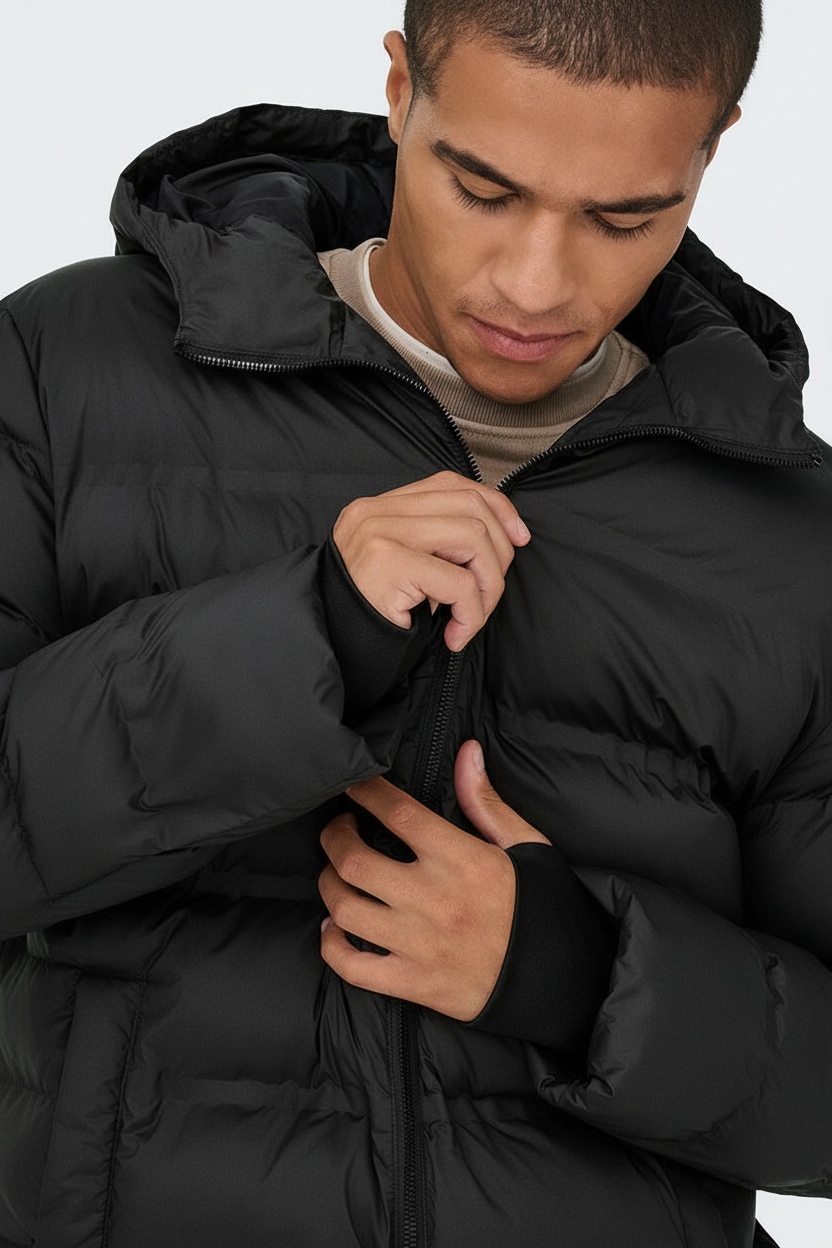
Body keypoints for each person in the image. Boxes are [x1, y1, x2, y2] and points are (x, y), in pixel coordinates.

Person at [0, 0, 829, 1245]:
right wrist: (303, 638)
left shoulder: (793, 539)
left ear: (714, 146)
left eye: (623, 218)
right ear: (401, 91)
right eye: (482, 189)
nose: (535, 285)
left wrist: (583, 980)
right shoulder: (62, 369)